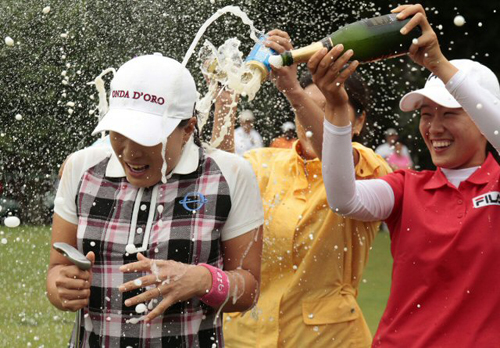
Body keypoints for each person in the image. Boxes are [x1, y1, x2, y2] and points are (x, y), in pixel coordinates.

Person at [312, 4, 500, 347]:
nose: (433, 127)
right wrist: (337, 109)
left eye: (450, 113)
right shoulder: (409, 186)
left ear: (481, 115)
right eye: (426, 114)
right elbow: (344, 199)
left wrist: (439, 65)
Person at [46, 54, 264, 348]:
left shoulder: (228, 174)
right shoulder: (81, 169)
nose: (129, 152)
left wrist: (202, 280)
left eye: (146, 138)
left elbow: (248, 289)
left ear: (187, 129)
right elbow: (57, 270)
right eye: (118, 134)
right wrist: (63, 289)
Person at [222, 29, 391, 347]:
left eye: (329, 107)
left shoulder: (370, 168)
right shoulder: (266, 162)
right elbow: (218, 180)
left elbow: (336, 157)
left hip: (328, 339)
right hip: (245, 336)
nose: (311, 117)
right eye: (307, 106)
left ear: (358, 122)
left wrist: (294, 90)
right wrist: (224, 96)